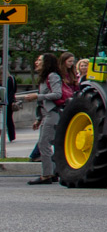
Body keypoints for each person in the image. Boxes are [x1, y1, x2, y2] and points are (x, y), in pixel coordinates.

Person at [29, 53, 64, 184]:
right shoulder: (44, 78)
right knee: (45, 143)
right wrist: (39, 118)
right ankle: (52, 172)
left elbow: (57, 94)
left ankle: (46, 175)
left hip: (52, 114)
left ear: (47, 63)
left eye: (39, 60)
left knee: (44, 144)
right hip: (47, 115)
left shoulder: (52, 76)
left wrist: (37, 97)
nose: (36, 62)